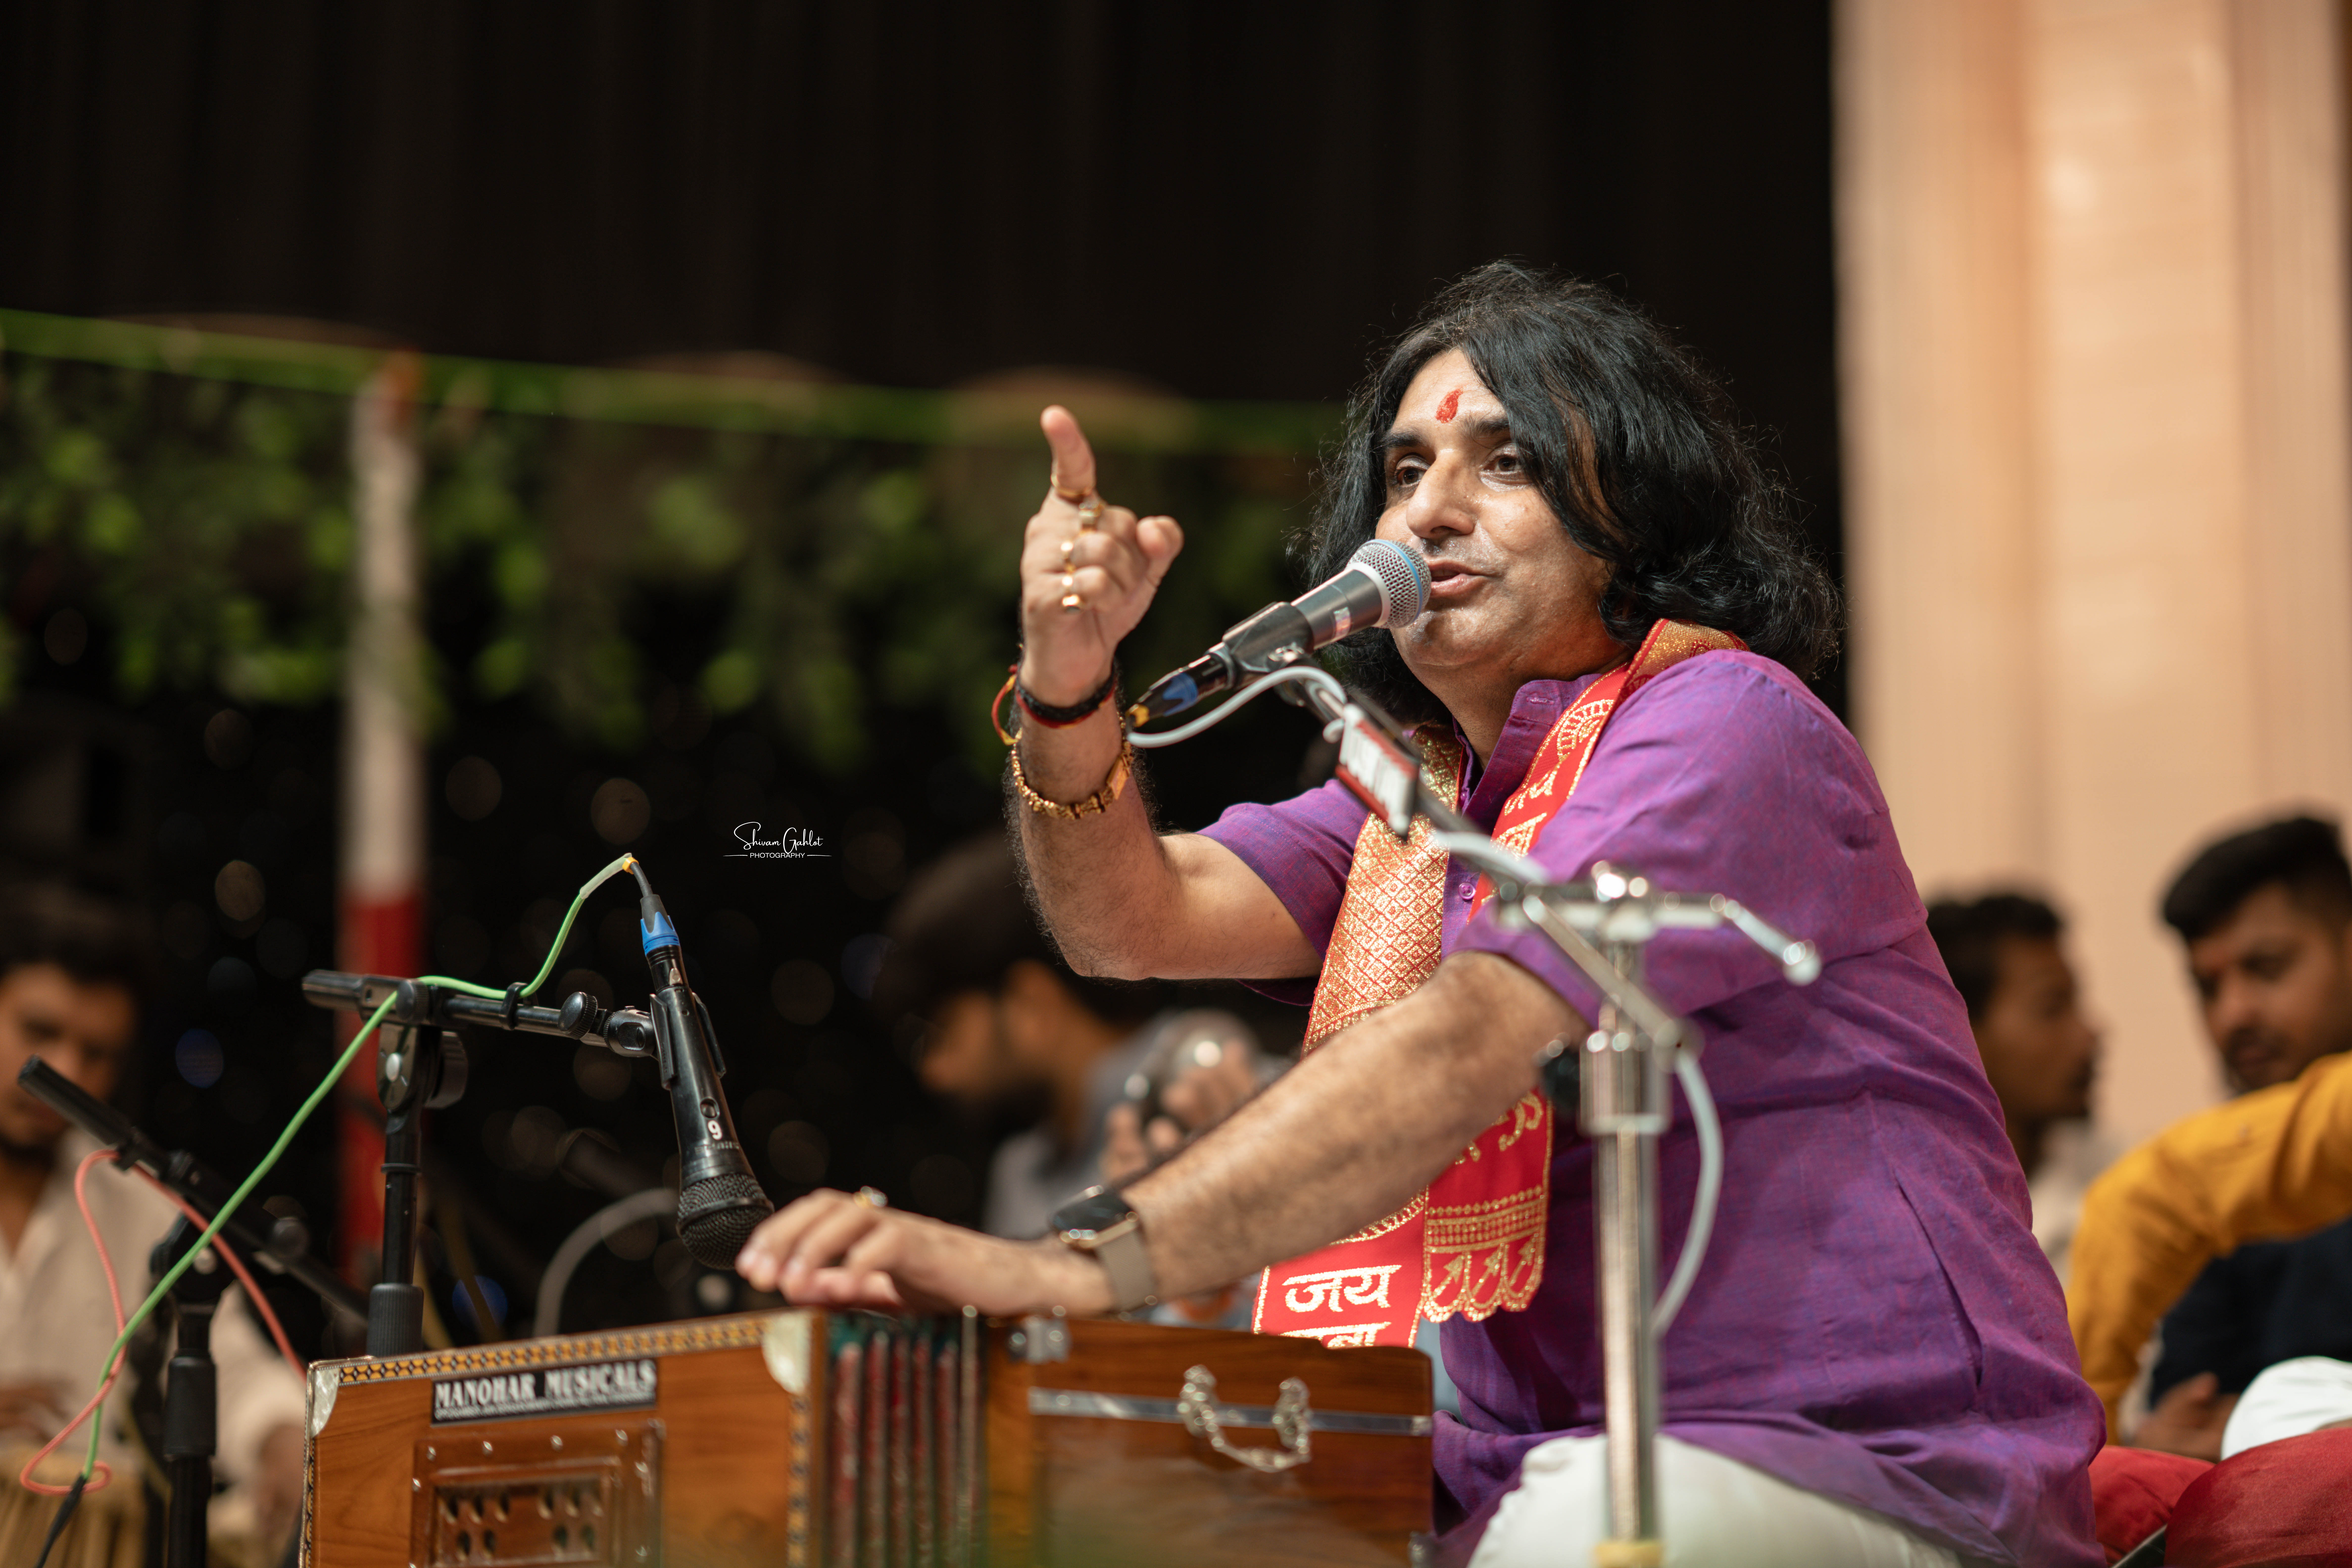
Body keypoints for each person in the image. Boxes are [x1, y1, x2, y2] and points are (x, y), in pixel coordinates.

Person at [738, 263, 2105, 1565]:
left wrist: (1071, 1275)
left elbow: (1469, 1036)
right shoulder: (1421, 815)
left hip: (1867, 1473)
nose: (1430, 512)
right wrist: (1066, 689)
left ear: (1633, 510)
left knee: (1578, 1532)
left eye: (1503, 463)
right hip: (1518, 1475)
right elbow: (1128, 924)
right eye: (1406, 472)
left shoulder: (1725, 725)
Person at [0, 884, 307, 1563]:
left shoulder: (137, 1203)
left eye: (98, 1052)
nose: (69, 1073)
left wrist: (283, 1439)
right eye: (40, 1032)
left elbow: (230, 1373)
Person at [2068, 816, 2352, 1458]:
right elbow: (2188, 1404)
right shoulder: (2209, 1199)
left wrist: (2267, 1430)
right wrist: (2159, 1444)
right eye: (2208, 987)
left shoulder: (2189, 1180)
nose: (2234, 1015)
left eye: (2267, 968)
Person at [877, 833, 1168, 1238]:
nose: (936, 1073)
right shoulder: (1021, 1170)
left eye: (943, 1034)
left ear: (1032, 1001)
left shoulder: (1201, 1068)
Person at [1924, 893, 2104, 1277]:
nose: (2089, 1035)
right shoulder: (1911, 1219)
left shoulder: (2123, 1187)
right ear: (1960, 1031)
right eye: (2052, 1007)